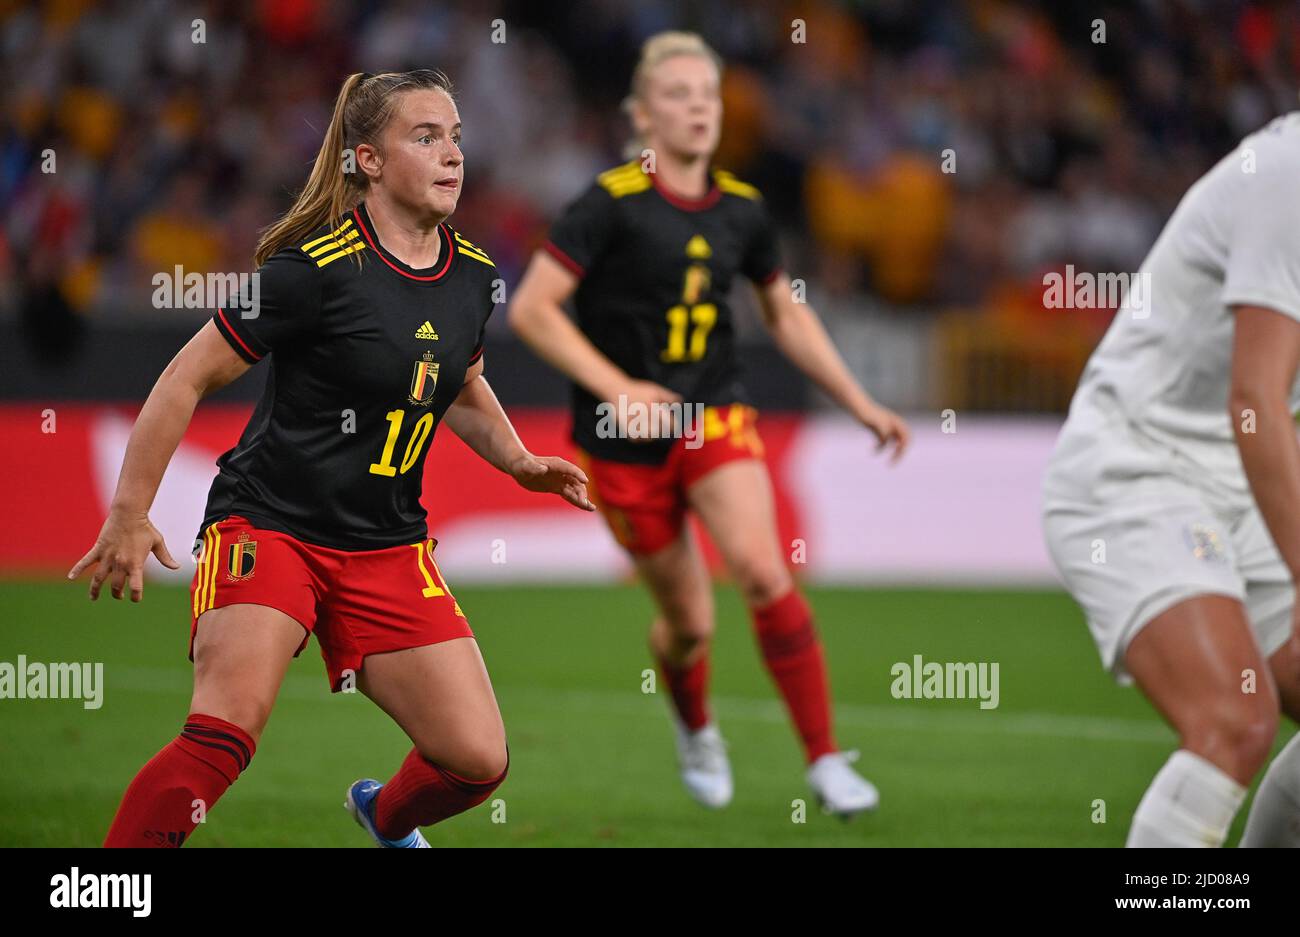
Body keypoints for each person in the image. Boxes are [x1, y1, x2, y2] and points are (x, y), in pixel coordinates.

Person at [69, 69, 594, 848]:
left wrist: (518, 460)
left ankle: (384, 818)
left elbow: (458, 382)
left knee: (477, 761)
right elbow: (186, 376)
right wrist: (128, 510)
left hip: (387, 546)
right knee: (224, 732)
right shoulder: (311, 270)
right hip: (271, 527)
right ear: (370, 161)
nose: (452, 155)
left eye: (455, 137)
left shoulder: (475, 277)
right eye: (425, 137)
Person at [509, 32, 909, 815]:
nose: (698, 108)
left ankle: (825, 759)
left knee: (763, 572)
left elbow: (784, 315)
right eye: (679, 94)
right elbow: (531, 309)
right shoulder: (608, 202)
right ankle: (695, 723)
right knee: (688, 624)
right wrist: (616, 385)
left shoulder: (743, 210)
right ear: (644, 113)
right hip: (621, 442)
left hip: (712, 416)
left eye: (708, 95)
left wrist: (858, 401)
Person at [1042, 111, 1300, 847]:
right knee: (1233, 718)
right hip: (1134, 465)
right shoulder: (1288, 177)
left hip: (1237, 481)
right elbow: (1254, 398)